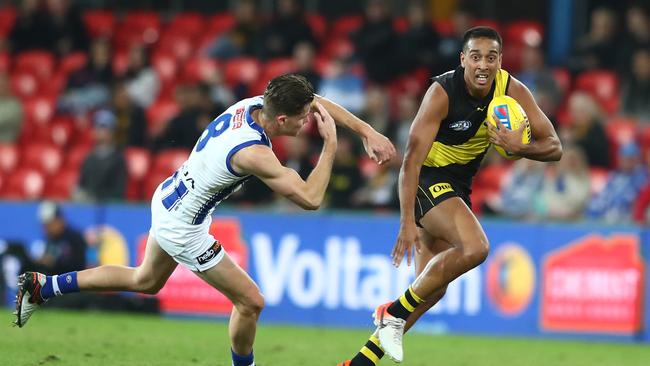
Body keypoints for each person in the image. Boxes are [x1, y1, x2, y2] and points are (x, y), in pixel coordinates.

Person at [15, 74, 395, 366]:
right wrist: (330, 146)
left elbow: (315, 102)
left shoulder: (251, 105)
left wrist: (367, 131)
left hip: (168, 197)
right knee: (251, 302)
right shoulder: (253, 153)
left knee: (143, 280)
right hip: (184, 226)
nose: (307, 125)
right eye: (303, 121)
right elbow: (311, 199)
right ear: (282, 118)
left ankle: (44, 287)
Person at [339, 27, 562, 365]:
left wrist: (522, 148)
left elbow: (555, 147)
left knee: (430, 288)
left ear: (500, 61)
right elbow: (410, 161)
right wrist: (406, 222)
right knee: (476, 247)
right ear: (463, 60)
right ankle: (392, 311)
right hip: (426, 179)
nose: (483, 65)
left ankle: (360, 361)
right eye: (475, 57)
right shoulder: (442, 92)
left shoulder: (512, 90)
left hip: (459, 185)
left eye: (491, 57)